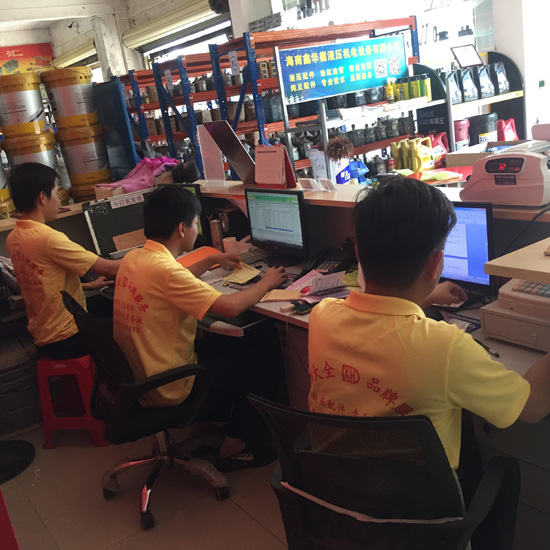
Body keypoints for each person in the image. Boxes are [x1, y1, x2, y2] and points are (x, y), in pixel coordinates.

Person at [308, 175, 550, 475]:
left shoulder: (321, 316)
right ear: (436, 264)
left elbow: (381, 323)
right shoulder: (446, 348)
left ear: (358, 253)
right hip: (417, 500)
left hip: (338, 484)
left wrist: (427, 296)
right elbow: (533, 406)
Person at [113, 185, 287, 472]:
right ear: (182, 228)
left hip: (144, 374)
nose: (196, 229)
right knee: (267, 357)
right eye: (195, 223)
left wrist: (209, 260)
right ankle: (234, 446)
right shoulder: (166, 272)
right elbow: (231, 307)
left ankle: (231, 423)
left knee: (244, 342)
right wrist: (267, 282)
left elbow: (172, 280)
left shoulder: (135, 258)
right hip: (171, 384)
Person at [6, 162, 120, 359]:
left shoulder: (14, 237)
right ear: (42, 197)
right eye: (56, 193)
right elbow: (108, 269)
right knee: (128, 325)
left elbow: (44, 285)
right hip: (67, 337)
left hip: (44, 332)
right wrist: (151, 257)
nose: (59, 200)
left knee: (107, 305)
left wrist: (88, 286)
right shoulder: (48, 239)